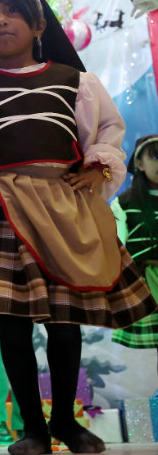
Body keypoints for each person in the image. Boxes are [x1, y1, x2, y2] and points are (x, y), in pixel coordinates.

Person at [0, 0, 157, 455]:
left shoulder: (74, 82)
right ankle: (33, 429)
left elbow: (106, 131)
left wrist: (97, 165)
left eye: (11, 11)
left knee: (64, 321)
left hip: (63, 204)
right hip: (0, 210)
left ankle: (65, 422)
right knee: (12, 322)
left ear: (39, 24)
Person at [111, 135, 158, 393]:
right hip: (145, 284)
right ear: (138, 163)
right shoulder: (124, 204)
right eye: (155, 155)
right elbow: (117, 247)